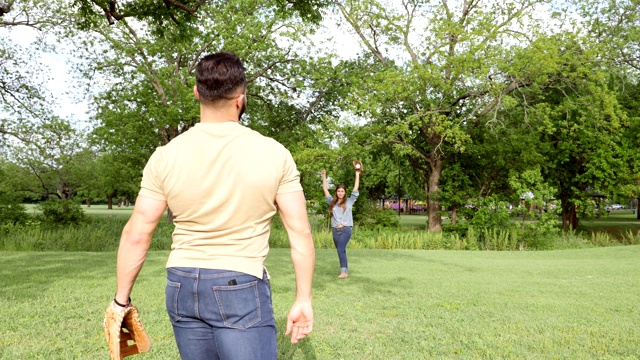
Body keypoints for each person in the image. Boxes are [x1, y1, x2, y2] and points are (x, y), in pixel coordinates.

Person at [106, 51, 315, 360]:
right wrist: (303, 298)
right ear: (241, 98)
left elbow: (137, 233)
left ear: (197, 93)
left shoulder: (165, 155)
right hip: (239, 283)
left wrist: (120, 302)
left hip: (181, 283)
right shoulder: (274, 153)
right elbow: (300, 233)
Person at [321, 166, 361, 279]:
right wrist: (324, 177)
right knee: (340, 251)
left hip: (346, 229)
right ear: (336, 192)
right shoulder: (332, 202)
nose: (340, 193)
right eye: (338, 191)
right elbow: (325, 190)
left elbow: (355, 189)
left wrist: (357, 174)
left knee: (340, 249)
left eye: (342, 191)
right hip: (335, 231)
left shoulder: (349, 201)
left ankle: (344, 273)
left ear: (345, 192)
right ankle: (344, 271)